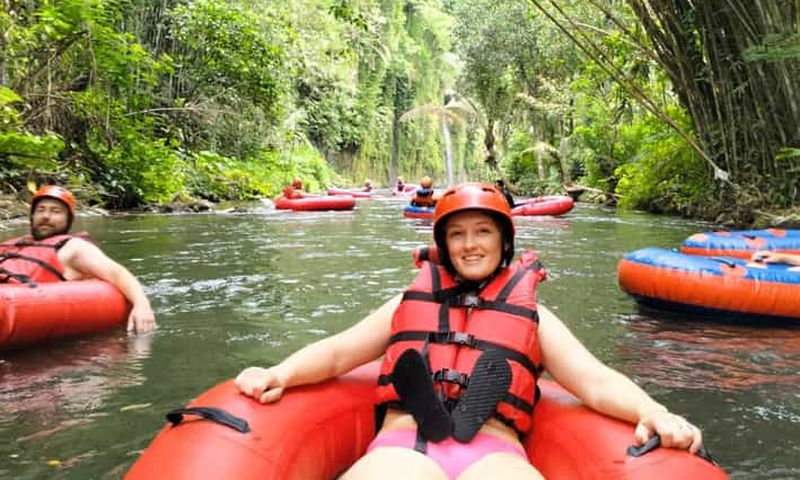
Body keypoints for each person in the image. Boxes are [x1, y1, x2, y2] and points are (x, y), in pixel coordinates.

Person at [236, 182, 703, 479]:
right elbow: (340, 352)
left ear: (504, 241)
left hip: (494, 453)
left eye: (482, 231)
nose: (470, 244)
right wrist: (281, 372)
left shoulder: (536, 316)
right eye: (457, 235)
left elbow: (595, 381)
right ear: (443, 244)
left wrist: (653, 410)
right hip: (406, 443)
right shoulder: (407, 302)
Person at [0, 185, 156, 334]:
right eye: (40, 210)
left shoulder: (74, 248)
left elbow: (116, 272)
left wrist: (141, 304)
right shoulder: (14, 244)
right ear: (32, 216)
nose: (46, 216)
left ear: (69, 219)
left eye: (55, 211)